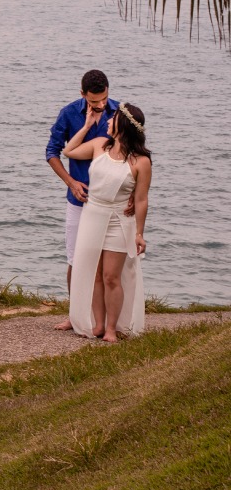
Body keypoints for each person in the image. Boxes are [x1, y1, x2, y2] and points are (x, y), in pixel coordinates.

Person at [61, 102, 152, 341]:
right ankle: (98, 325)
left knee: (112, 276)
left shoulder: (141, 161)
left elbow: (141, 200)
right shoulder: (100, 145)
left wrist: (139, 233)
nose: (109, 121)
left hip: (119, 220)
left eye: (113, 118)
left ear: (123, 125)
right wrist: (88, 125)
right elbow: (68, 151)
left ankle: (112, 328)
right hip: (92, 215)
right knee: (95, 273)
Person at [45, 70, 120, 331]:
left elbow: (135, 154)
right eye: (93, 101)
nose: (100, 106)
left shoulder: (120, 113)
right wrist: (71, 182)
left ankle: (107, 321)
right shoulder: (69, 113)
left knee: (108, 263)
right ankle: (75, 314)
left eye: (103, 100)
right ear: (82, 95)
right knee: (76, 259)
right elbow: (52, 152)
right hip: (78, 200)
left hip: (110, 201)